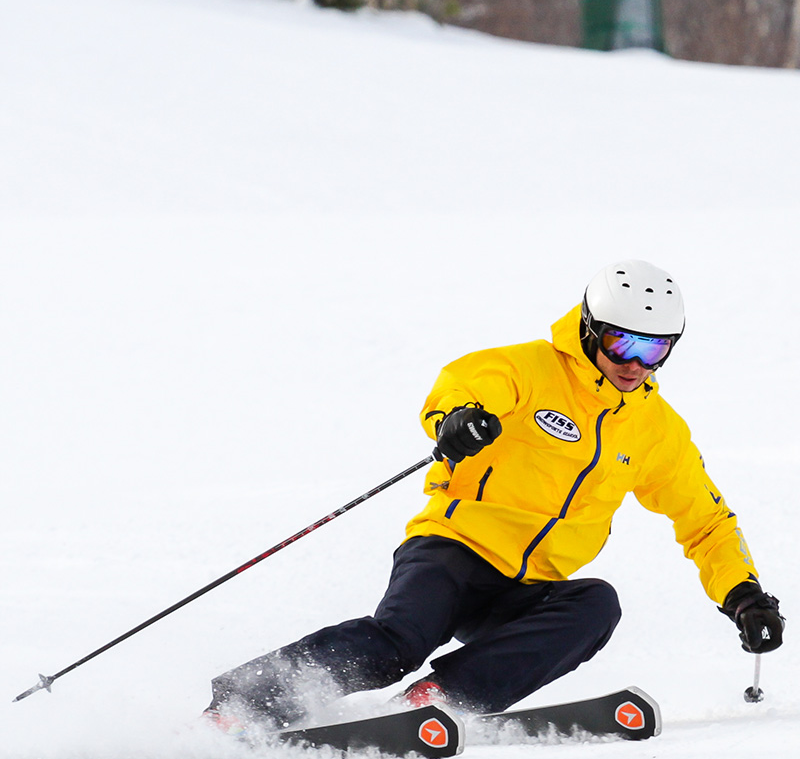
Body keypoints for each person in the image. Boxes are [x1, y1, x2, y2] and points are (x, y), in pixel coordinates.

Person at [204, 259, 785, 730]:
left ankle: (442, 697)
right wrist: (460, 420)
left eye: (654, 349)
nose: (634, 363)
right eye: (622, 343)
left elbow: (703, 519)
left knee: (595, 604)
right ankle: (241, 704)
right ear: (589, 328)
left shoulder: (657, 429)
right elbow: (465, 384)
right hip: (453, 551)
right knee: (397, 642)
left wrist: (742, 594)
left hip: (525, 589)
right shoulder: (529, 369)